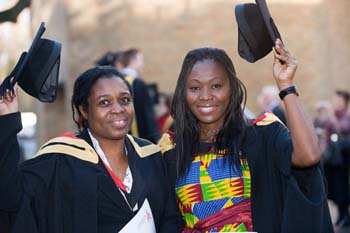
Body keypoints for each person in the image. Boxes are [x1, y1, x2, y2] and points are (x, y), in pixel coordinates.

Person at [159, 39, 333, 232]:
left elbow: (308, 156)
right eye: (195, 88)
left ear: (232, 88)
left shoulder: (262, 135)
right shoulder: (171, 150)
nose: (205, 96)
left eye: (216, 86)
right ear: (183, 93)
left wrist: (286, 86)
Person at [0, 66, 179, 233]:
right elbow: (11, 196)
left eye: (124, 100)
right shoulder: (59, 161)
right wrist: (7, 121)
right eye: (104, 102)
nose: (118, 109)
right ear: (84, 111)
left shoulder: (151, 156)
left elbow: (170, 217)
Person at [314, 90, 350, 228]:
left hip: (342, 159)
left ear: (345, 101)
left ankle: (346, 216)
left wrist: (330, 113)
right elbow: (318, 123)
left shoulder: (346, 115)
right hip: (332, 159)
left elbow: (341, 128)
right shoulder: (333, 115)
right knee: (335, 188)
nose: (336, 103)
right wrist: (319, 112)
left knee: (343, 187)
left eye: (338, 100)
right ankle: (341, 215)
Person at [120, 48, 160, 143]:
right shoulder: (137, 83)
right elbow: (147, 114)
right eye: (140, 60)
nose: (142, 64)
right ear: (133, 61)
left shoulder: (115, 81)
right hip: (139, 138)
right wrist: (155, 137)